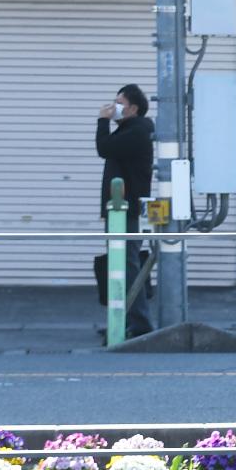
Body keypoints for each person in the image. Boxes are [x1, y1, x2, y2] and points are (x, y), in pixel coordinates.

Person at [94, 83, 155, 337]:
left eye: (119, 103)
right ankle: (125, 318)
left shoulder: (137, 131)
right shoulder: (130, 129)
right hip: (119, 209)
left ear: (133, 108)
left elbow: (104, 148)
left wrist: (102, 121)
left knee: (127, 265)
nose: (114, 107)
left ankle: (138, 322)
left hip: (125, 210)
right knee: (122, 265)